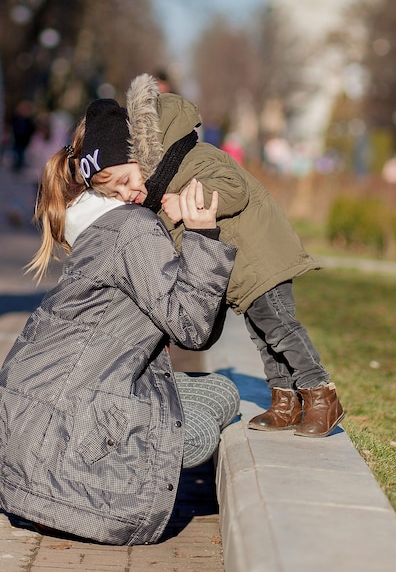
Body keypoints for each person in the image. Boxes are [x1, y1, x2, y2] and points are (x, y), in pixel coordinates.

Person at [0, 98, 239, 545]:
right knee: (215, 405)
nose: (137, 190)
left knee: (203, 390)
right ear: (100, 180)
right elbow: (192, 328)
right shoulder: (130, 228)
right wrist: (204, 233)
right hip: (64, 445)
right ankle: (75, 498)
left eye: (139, 177)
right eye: (124, 180)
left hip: (24, 435)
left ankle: (54, 494)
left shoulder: (97, 226)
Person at [88, 74, 344, 439]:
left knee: (280, 329)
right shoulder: (159, 186)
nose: (126, 192)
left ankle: (320, 393)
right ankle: (285, 399)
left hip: (261, 257)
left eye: (126, 179)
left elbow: (234, 189)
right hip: (243, 270)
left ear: (140, 154)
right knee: (263, 335)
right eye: (115, 191)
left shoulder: (194, 158)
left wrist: (188, 201)